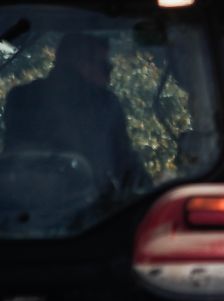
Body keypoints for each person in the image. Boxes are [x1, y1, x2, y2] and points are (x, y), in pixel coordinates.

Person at [3, 32, 147, 191]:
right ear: (82, 63)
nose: (109, 78)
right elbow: (125, 164)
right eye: (106, 67)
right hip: (92, 209)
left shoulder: (20, 98)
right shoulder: (104, 104)